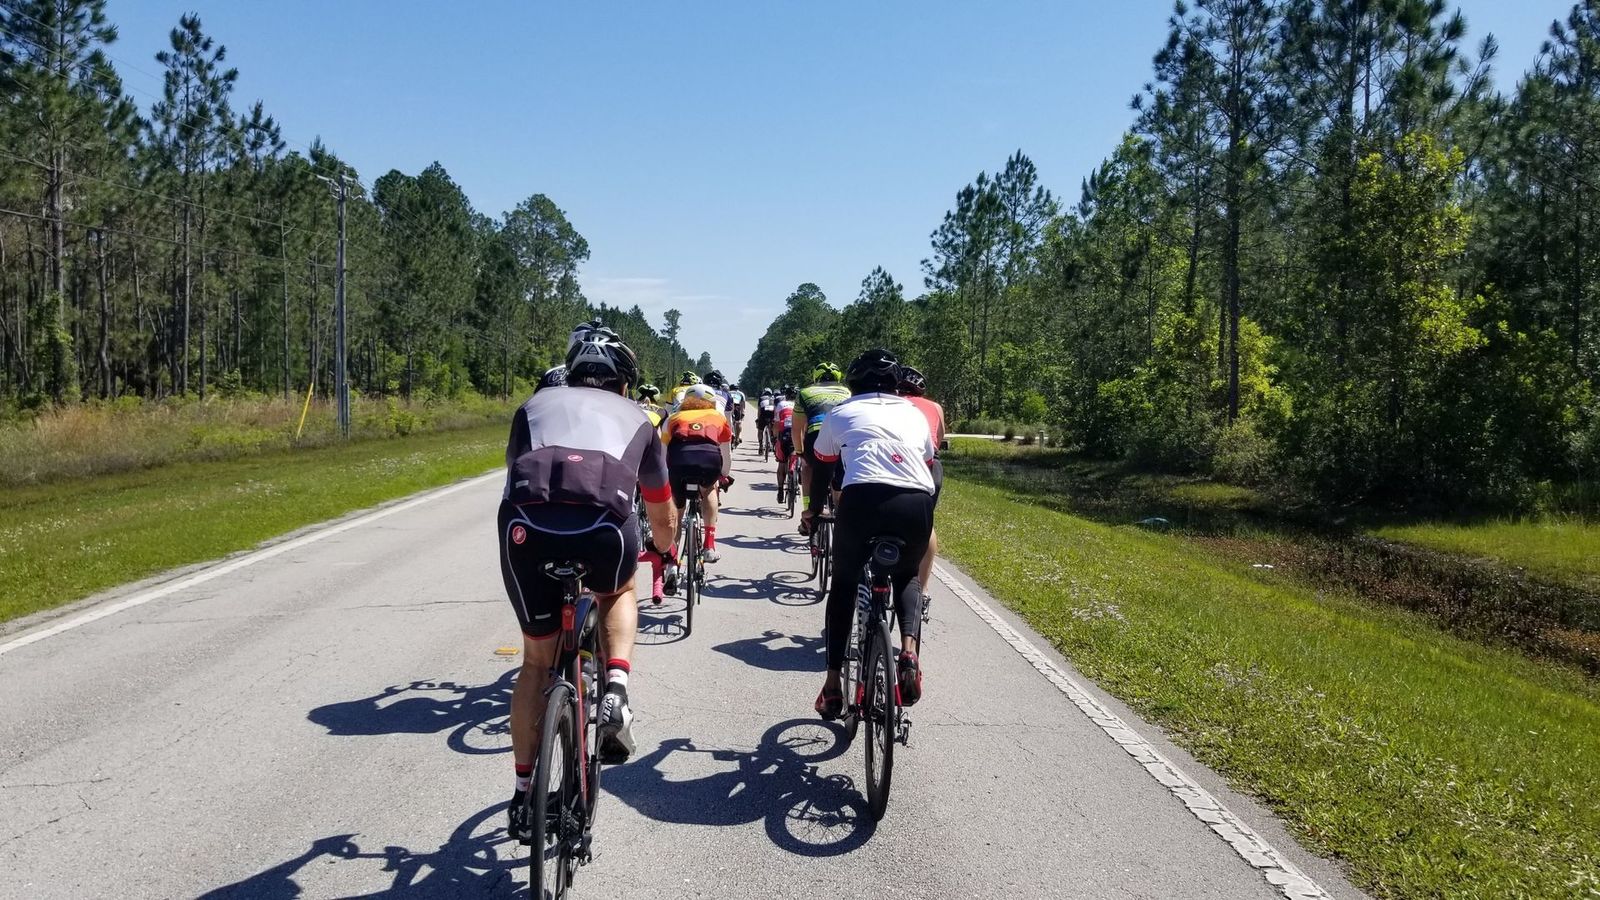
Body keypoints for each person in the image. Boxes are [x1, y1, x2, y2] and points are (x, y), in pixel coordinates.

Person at [498, 322, 677, 842]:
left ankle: (523, 793)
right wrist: (663, 550)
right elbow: (661, 513)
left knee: (536, 663)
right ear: (625, 383)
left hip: (526, 528)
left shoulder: (533, 406)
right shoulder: (639, 418)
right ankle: (616, 686)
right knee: (618, 590)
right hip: (603, 527)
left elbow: (514, 474)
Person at [806, 349, 936, 720]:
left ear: (853, 382)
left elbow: (822, 467)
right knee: (907, 575)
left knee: (845, 584)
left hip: (862, 500)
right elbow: (928, 462)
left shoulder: (841, 412)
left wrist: (813, 511)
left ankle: (833, 685)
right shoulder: (913, 413)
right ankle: (908, 652)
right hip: (915, 502)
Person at [660, 383, 733, 564]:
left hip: (679, 461)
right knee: (710, 489)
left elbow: (662, 454)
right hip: (709, 461)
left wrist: (665, 476)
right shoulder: (718, 417)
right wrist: (723, 474)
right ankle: (709, 546)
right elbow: (726, 454)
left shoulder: (673, 418)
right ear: (712, 402)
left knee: (677, 509)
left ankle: (672, 562)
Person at [897, 365, 946, 593]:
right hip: (929, 465)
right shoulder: (935, 407)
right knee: (926, 524)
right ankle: (923, 590)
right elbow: (939, 439)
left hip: (897, 460)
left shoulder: (890, 404)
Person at [794, 363, 850, 535]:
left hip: (815, 434)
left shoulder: (805, 392)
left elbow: (797, 429)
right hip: (843, 437)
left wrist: (800, 452)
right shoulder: (848, 392)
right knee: (839, 476)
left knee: (807, 468)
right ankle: (840, 511)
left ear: (815, 377)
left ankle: (808, 513)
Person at [772, 385, 797, 502]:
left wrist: (774, 437)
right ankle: (793, 470)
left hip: (783, 434)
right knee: (797, 452)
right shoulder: (800, 405)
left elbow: (776, 424)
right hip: (795, 434)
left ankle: (780, 490)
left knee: (781, 463)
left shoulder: (781, 404)